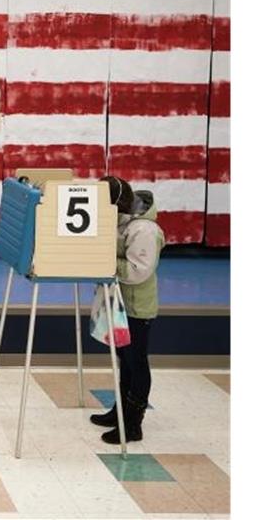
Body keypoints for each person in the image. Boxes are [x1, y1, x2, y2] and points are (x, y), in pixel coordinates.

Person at [91, 175, 162, 444]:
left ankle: (133, 424)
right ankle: (120, 411)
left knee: (136, 362)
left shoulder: (144, 229)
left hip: (136, 306)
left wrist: (104, 261)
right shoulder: (122, 221)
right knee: (124, 359)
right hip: (120, 303)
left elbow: (137, 271)